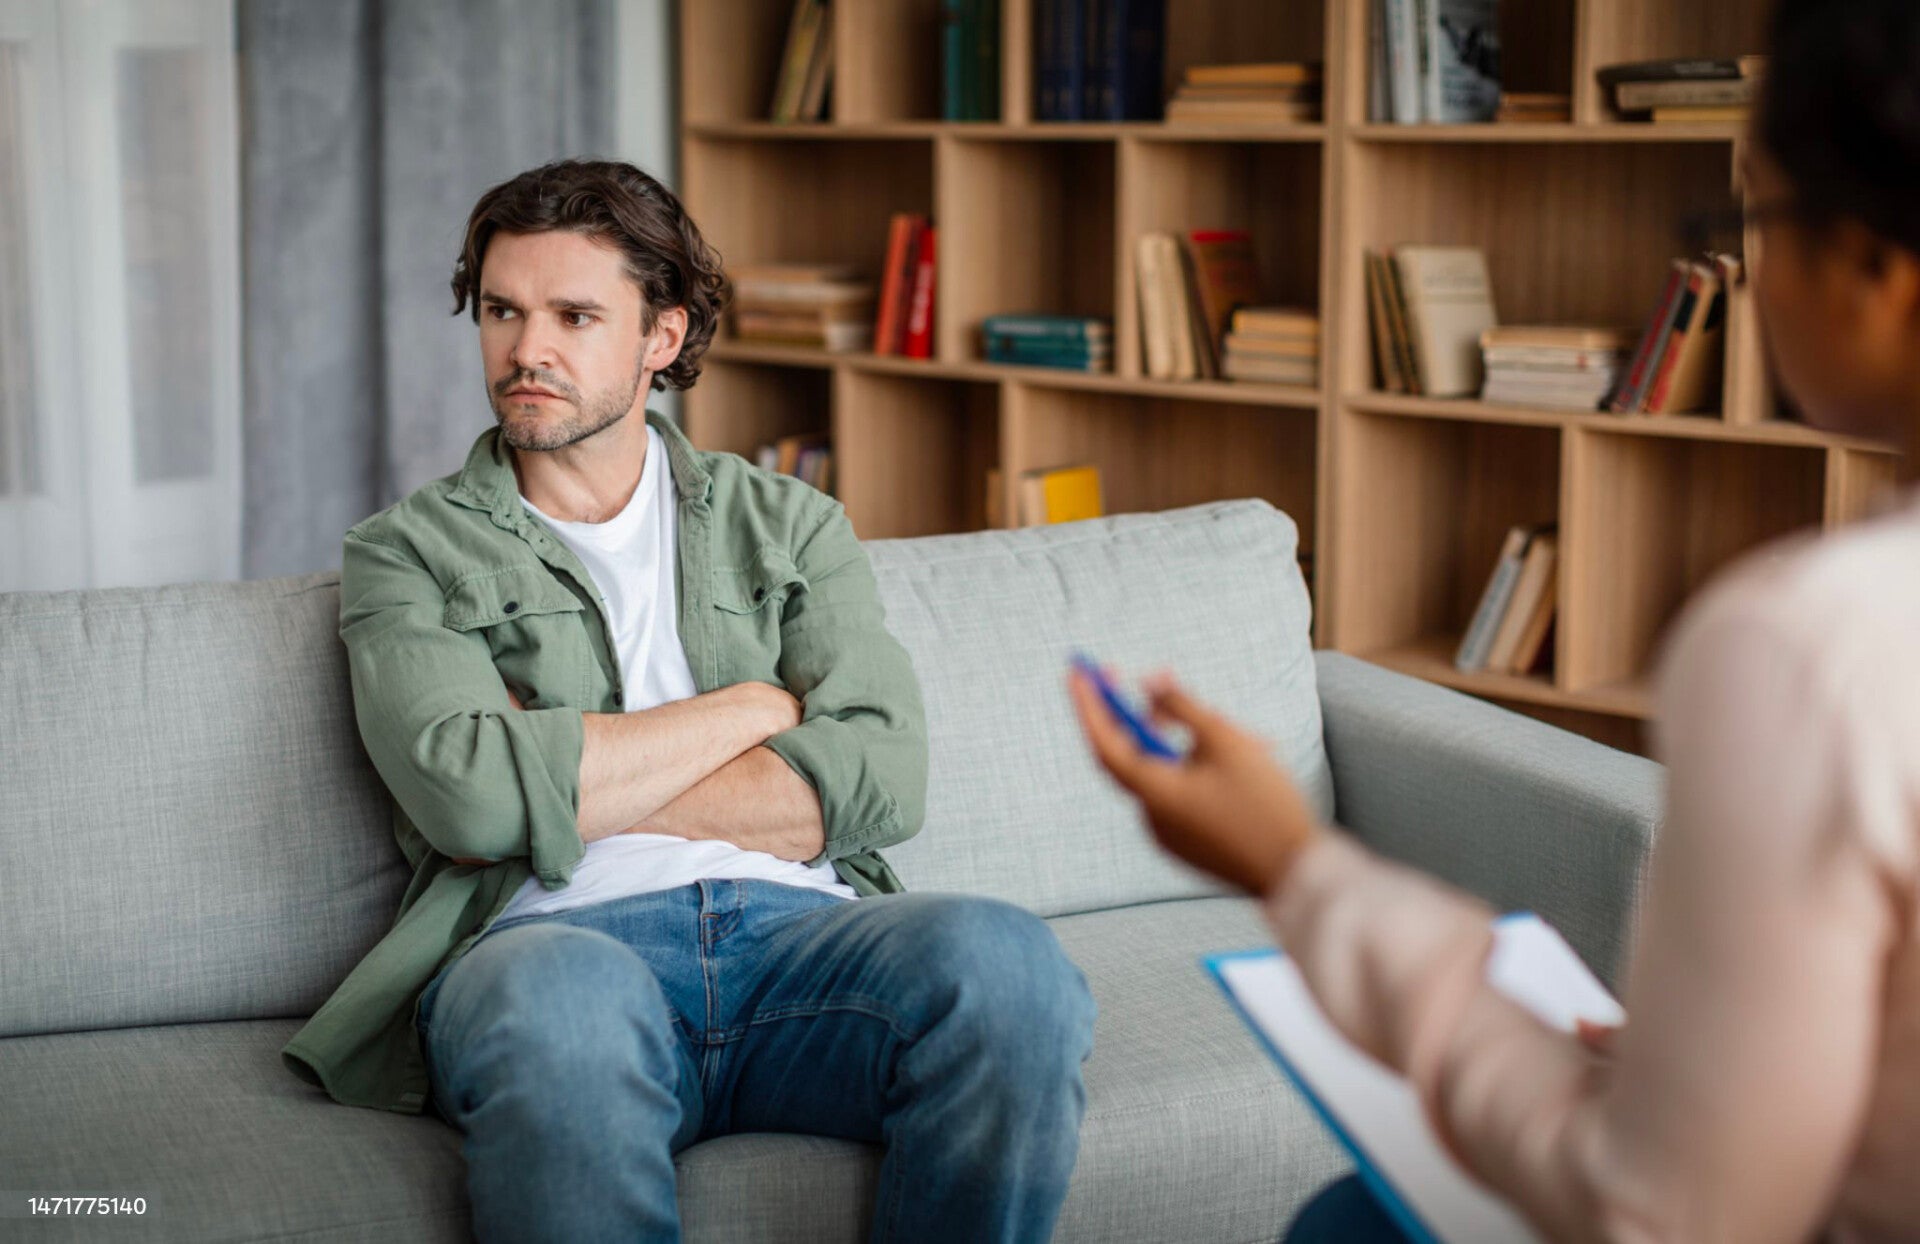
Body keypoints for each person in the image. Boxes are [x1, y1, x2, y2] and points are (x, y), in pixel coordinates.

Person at [1071, 0, 1920, 1239]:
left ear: (1877, 265)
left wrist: (1298, 866)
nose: (1749, 277)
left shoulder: (1812, 648)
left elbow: (1658, 1216)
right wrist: (1699, 1060)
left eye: (1759, 222)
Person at [281, 158, 1096, 1243]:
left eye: (574, 316)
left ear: (661, 337)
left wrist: (558, 779)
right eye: (503, 311)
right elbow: (470, 806)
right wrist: (755, 708)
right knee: (564, 1009)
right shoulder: (405, 551)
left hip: (805, 947)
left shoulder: (793, 524)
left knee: (1009, 965)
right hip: (556, 946)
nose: (526, 350)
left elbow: (882, 780)